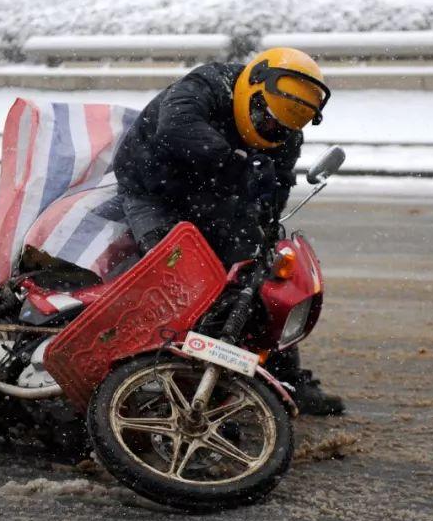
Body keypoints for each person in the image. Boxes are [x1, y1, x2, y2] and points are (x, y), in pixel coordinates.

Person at [111, 47, 345, 416]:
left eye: (281, 129)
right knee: (177, 279)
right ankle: (169, 384)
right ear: (251, 88)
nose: (271, 131)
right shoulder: (207, 84)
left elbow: (277, 185)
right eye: (265, 120)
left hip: (213, 195)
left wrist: (265, 226)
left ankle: (286, 377)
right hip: (153, 191)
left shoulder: (284, 134)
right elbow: (176, 127)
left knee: (255, 276)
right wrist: (234, 162)